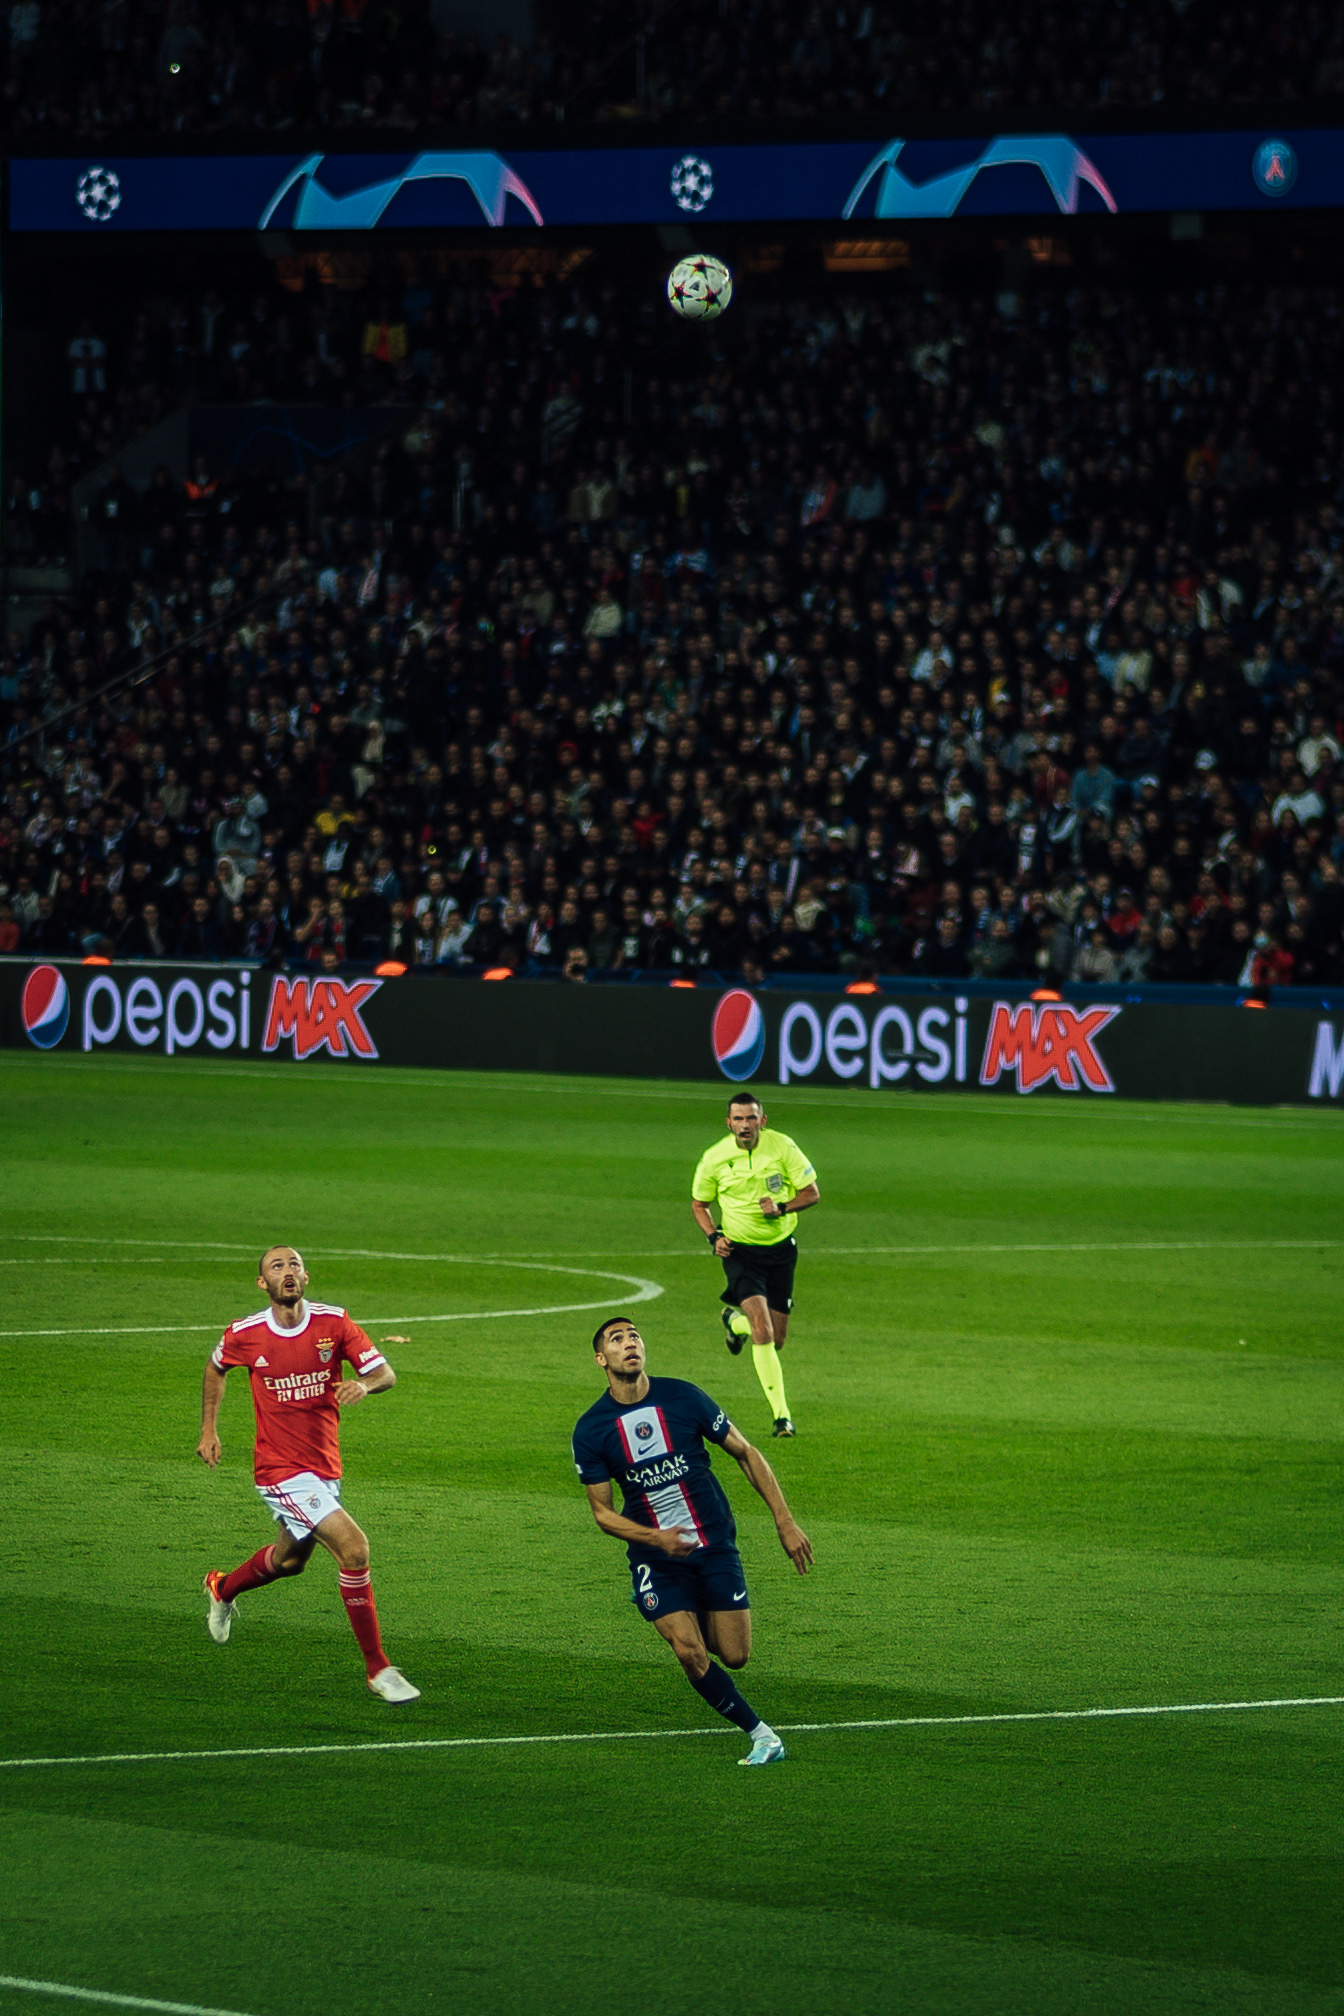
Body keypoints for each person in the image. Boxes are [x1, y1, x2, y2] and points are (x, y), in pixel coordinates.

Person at [572, 1316, 812, 1766]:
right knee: (690, 1651)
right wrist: (655, 1538)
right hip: (655, 1555)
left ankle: (683, 1605)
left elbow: (746, 1452)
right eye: (617, 1339)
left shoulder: (683, 1396)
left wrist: (784, 1521)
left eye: (635, 1335)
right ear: (601, 1359)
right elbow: (602, 1513)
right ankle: (763, 1736)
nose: (630, 1343)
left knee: (735, 1655)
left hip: (714, 1543)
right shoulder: (592, 1429)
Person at [196, 1245, 419, 1703]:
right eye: (276, 1267)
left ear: (306, 1276)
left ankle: (222, 1587)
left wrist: (365, 1384)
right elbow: (217, 1367)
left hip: (323, 1467)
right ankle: (378, 1669)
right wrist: (209, 1429)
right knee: (354, 1549)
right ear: (263, 1284)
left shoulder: (334, 1323)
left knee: (289, 1562)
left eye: (294, 1264)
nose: (287, 1271)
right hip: (279, 1469)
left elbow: (386, 1373)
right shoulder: (245, 1333)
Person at [690, 1092, 819, 1438]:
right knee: (764, 1331)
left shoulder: (783, 1147)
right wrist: (712, 1236)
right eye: (738, 1119)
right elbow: (699, 1204)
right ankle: (782, 1417)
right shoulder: (715, 1158)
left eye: (751, 1118)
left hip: (780, 1253)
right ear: (728, 1122)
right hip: (740, 1254)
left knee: (775, 1341)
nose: (744, 1125)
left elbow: (812, 1193)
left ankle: (735, 1324)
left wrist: (781, 1207)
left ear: (763, 1121)